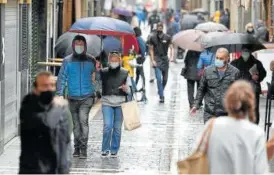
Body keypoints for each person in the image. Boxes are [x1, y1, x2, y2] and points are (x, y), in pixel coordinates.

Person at [194, 80, 268, 174]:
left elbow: (197, 155)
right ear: (251, 104)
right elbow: (260, 170)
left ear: (227, 101)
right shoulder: (256, 133)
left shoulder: (212, 126)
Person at [19, 71, 72, 174]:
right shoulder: (28, 104)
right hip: (33, 169)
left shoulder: (61, 109)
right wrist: (57, 108)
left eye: (52, 85)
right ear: (35, 89)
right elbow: (47, 123)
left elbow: (65, 140)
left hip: (56, 169)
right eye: (44, 86)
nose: (49, 89)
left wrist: (65, 168)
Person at [57, 35, 96, 159]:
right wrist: (59, 94)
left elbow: (98, 77)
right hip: (72, 97)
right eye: (77, 44)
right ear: (74, 45)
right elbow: (61, 78)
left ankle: (83, 148)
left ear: (85, 46)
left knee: (83, 121)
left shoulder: (91, 60)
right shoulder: (67, 61)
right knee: (76, 125)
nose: (79, 47)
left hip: (87, 97)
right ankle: (77, 147)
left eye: (81, 44)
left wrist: (96, 89)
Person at [191, 48, 240, 123]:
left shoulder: (235, 72)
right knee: (211, 134)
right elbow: (201, 89)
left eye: (221, 58)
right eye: (217, 58)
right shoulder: (208, 71)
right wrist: (196, 105)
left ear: (227, 58)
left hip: (227, 113)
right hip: (210, 112)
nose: (218, 60)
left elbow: (238, 93)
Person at [100, 51, 131, 157]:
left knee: (117, 128)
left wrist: (125, 88)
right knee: (107, 126)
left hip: (120, 103)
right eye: (112, 60)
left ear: (119, 60)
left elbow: (130, 91)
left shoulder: (125, 72)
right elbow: (98, 85)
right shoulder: (103, 72)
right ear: (109, 61)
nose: (114, 62)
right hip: (106, 102)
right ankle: (105, 148)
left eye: (116, 60)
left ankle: (114, 148)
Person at [230, 48, 266, 124]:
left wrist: (258, 77)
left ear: (250, 52)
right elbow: (231, 76)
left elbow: (263, 73)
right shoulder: (234, 63)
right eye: (243, 51)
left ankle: (254, 127)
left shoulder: (257, 62)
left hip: (253, 88)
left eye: (247, 51)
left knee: (254, 109)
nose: (245, 52)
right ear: (241, 51)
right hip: (239, 89)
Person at [149, 23, 174, 103]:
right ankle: (162, 96)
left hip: (165, 59)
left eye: (161, 27)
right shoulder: (152, 37)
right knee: (159, 79)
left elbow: (171, 47)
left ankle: (160, 90)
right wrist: (152, 60)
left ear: (162, 28)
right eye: (158, 27)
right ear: (156, 28)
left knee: (165, 79)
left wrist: (171, 56)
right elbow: (151, 50)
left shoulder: (167, 37)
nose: (159, 28)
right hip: (156, 58)